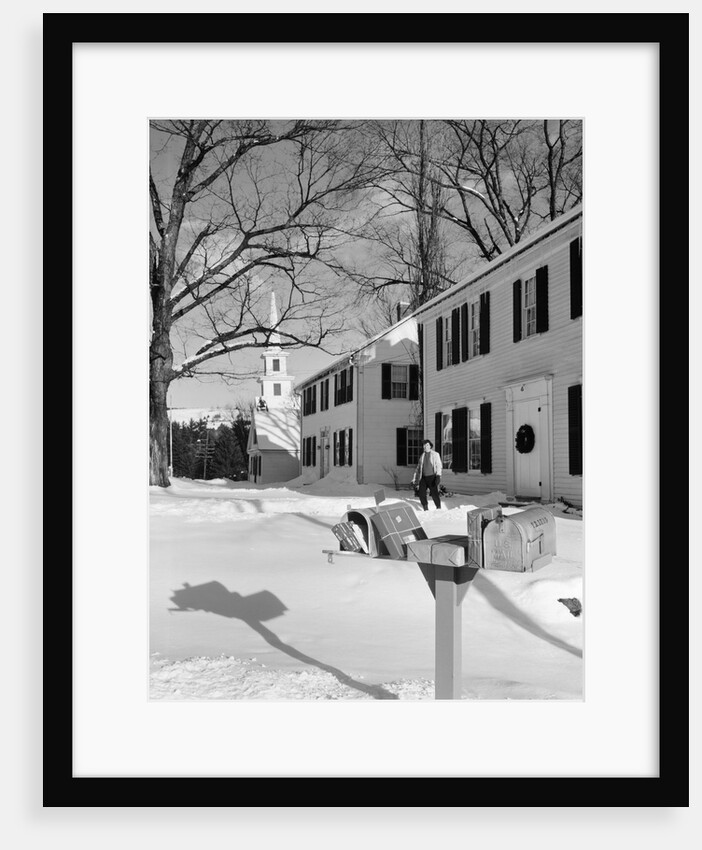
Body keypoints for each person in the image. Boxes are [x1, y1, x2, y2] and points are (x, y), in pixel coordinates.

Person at [412, 439, 443, 511]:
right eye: (424, 445)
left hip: (432, 477)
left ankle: (438, 507)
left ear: (430, 446)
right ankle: (425, 508)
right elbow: (418, 469)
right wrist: (414, 479)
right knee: (421, 493)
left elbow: (439, 465)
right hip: (423, 478)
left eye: (427, 445)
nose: (425, 446)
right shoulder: (422, 456)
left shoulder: (435, 454)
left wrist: (438, 476)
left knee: (434, 494)